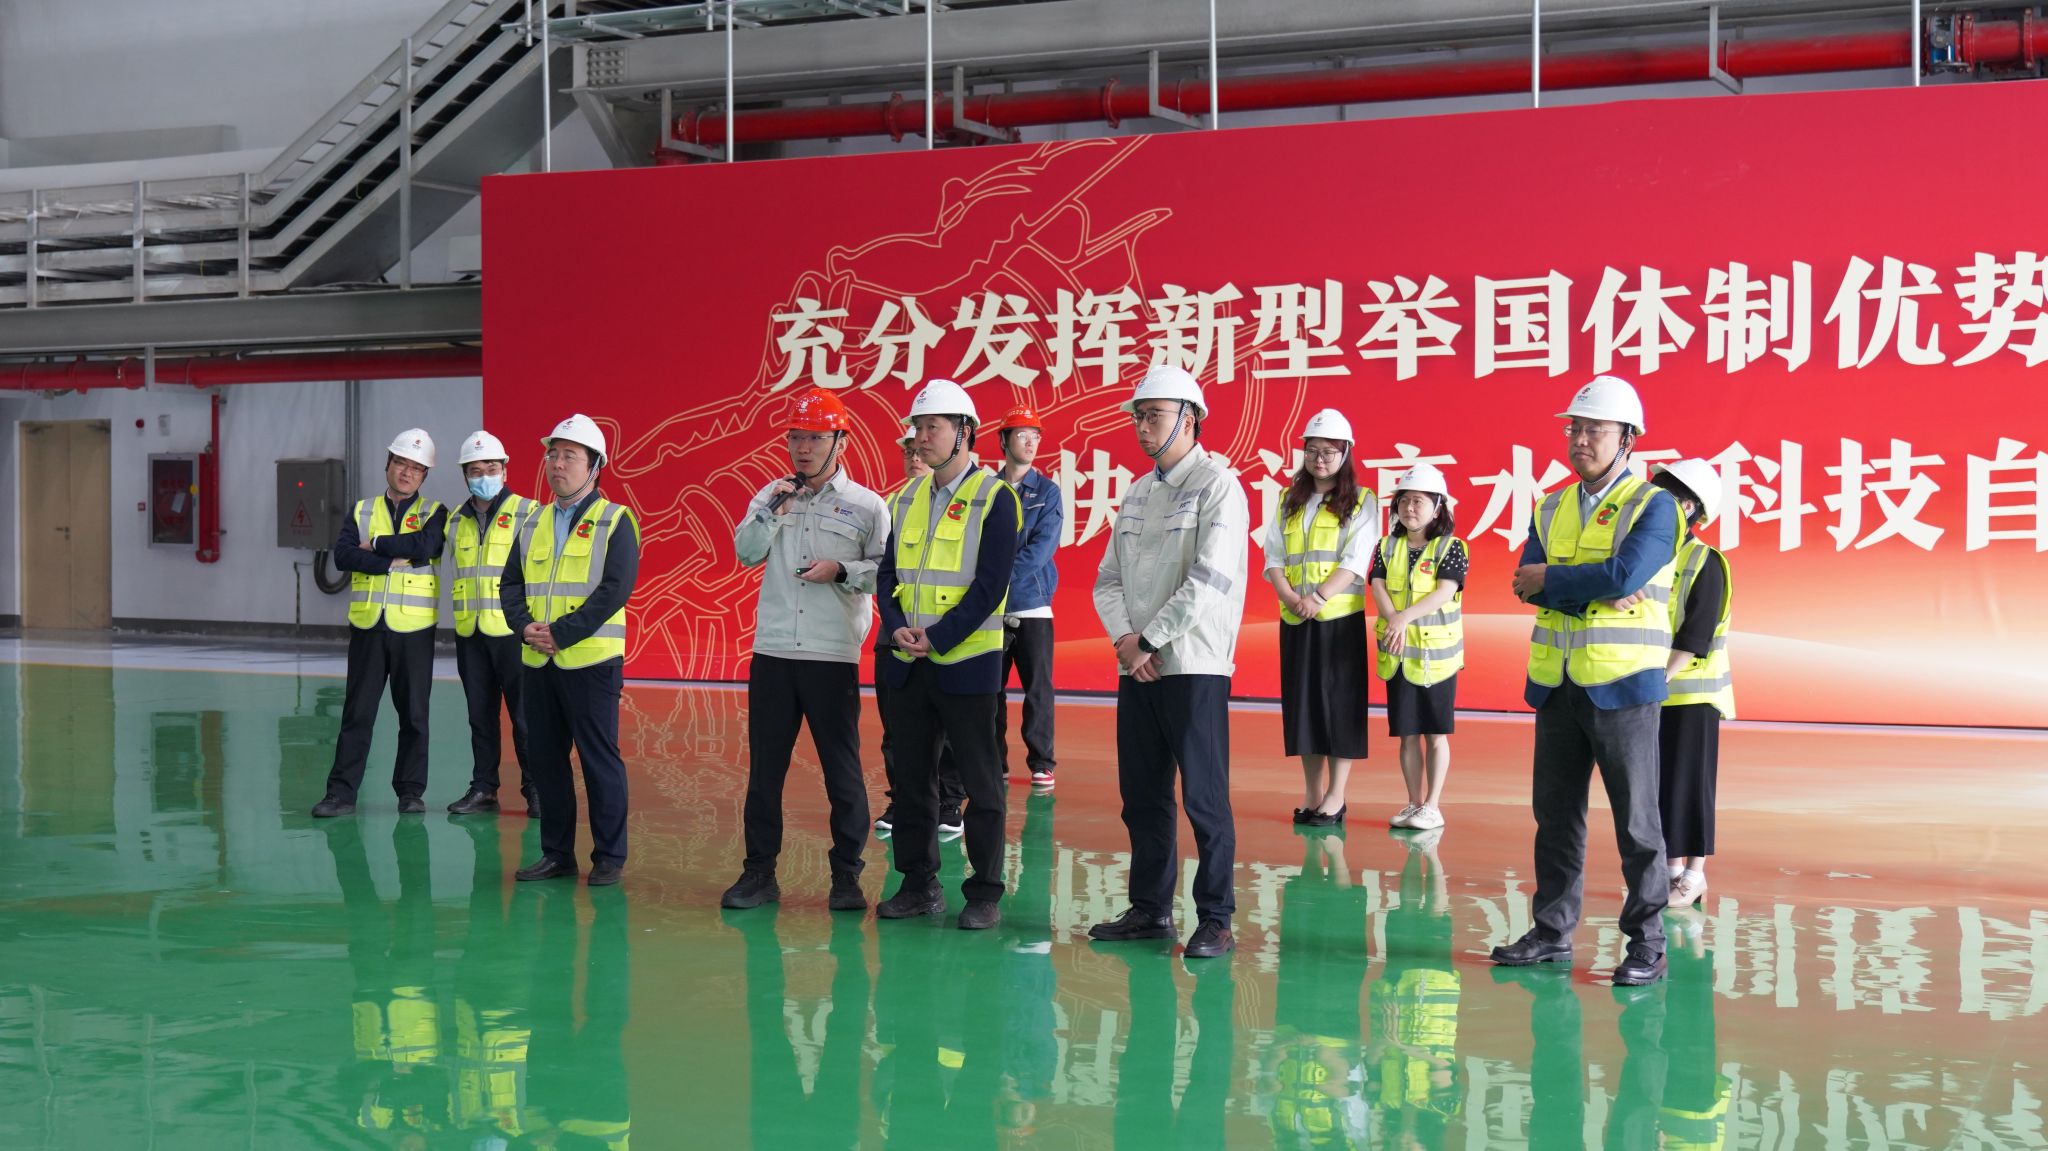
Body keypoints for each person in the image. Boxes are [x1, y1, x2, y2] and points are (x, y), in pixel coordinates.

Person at [1493, 375, 1680, 988]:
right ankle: (1551, 933)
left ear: (1628, 438)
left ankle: (1647, 944)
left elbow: (1626, 573)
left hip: (1623, 685)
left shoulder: (1654, 506)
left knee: (1638, 825)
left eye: (1594, 429)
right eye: (1574, 428)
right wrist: (1591, 586)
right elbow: (1525, 581)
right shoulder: (1550, 505)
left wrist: (1563, 580)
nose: (1579, 439)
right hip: (1557, 684)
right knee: (1556, 819)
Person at [1089, 364, 1249, 959]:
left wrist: (1148, 641)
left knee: (1204, 799)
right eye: (1138, 415)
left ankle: (1216, 918)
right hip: (1138, 665)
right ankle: (1150, 910)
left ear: (1191, 418)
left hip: (1194, 665)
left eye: (1154, 414)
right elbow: (1108, 579)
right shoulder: (1137, 491)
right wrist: (1126, 641)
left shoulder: (1218, 486)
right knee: (1142, 797)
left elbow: (1210, 580)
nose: (1142, 425)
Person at [721, 388, 890, 912]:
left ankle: (846, 877)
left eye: (815, 437)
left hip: (831, 654)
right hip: (773, 652)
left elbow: (884, 573)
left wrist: (840, 570)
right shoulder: (771, 495)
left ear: (841, 441)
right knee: (764, 773)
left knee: (842, 773)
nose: (803, 447)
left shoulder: (867, 505)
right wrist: (774, 512)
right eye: (796, 437)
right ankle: (758, 873)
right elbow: (746, 553)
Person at [873, 379, 1022, 930]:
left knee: (982, 785)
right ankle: (918, 885)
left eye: (932, 426)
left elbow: (991, 586)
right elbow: (887, 574)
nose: (921, 437)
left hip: (968, 666)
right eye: (917, 427)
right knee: (912, 783)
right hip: (907, 665)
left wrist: (937, 638)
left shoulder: (994, 497)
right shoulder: (904, 498)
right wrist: (897, 628)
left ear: (965, 432)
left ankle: (984, 893)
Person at [503, 414, 641, 888]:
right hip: (538, 661)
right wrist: (523, 626)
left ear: (595, 466)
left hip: (591, 661)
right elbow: (510, 584)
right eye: (552, 454)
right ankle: (557, 854)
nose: (557, 464)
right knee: (545, 760)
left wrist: (562, 633)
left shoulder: (616, 520)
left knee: (599, 760)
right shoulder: (533, 521)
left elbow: (614, 589)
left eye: (569, 456)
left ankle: (609, 857)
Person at [314, 428, 448, 818]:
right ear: (388, 464)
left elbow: (426, 546)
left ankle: (411, 792)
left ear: (425, 475)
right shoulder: (362, 510)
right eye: (401, 463)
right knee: (357, 712)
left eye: (416, 468)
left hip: (415, 630)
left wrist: (375, 545)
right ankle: (340, 794)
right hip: (369, 627)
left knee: (415, 715)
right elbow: (343, 556)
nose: (407, 472)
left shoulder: (435, 513)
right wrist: (392, 561)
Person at [1262, 408, 1373, 827]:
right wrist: (1290, 596)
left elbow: (1356, 559)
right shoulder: (1288, 499)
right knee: (1303, 707)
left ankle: (1335, 796)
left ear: (1345, 454)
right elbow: (1274, 554)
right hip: (1295, 618)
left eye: (1328, 451)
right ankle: (1312, 793)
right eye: (1311, 450)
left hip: (1338, 620)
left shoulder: (1362, 500)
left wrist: (1320, 597)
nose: (1319, 459)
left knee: (1340, 707)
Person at [1649, 457, 1734, 909]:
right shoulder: (1650, 555)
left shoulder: (1706, 562)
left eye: (1661, 499)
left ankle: (1695, 875)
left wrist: (1660, 679)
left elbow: (1696, 635)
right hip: (1651, 693)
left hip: (1692, 693)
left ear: (1687, 508)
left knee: (1692, 785)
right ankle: (1669, 872)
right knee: (1659, 784)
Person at [874, 427, 966, 842]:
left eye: (919, 448)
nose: (914, 456)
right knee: (896, 726)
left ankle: (949, 801)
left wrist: (945, 630)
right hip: (896, 635)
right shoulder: (892, 504)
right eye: (907, 451)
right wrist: (895, 626)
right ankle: (902, 799)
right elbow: (882, 571)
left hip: (946, 636)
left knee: (948, 728)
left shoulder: (968, 501)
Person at [444, 430, 542, 817]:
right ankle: (484, 788)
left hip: (515, 633)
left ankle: (536, 789)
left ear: (504, 470)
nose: (483, 475)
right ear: (465, 475)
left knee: (526, 717)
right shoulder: (455, 521)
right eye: (475, 470)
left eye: (490, 468)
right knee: (479, 716)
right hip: (471, 632)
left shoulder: (530, 513)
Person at [1369, 463, 1469, 833]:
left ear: (1438, 507)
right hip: (1399, 658)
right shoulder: (1386, 546)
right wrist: (1393, 618)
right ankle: (1413, 802)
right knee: (1407, 735)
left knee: (1435, 734)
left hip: (1435, 659)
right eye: (1404, 500)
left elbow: (1445, 591)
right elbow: (1377, 585)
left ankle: (1433, 806)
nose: (1410, 508)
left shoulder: (1451, 547)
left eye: (1419, 501)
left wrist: (1402, 618)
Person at [992, 404, 1064, 789]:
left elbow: (1041, 550)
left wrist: (994, 579)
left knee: (1038, 689)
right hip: (991, 609)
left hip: (1032, 605)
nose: (1031, 442)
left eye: (1035, 436)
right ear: (1004, 441)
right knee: (991, 690)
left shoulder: (1048, 492)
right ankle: (995, 761)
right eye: (1022, 435)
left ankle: (1042, 762)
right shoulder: (986, 490)